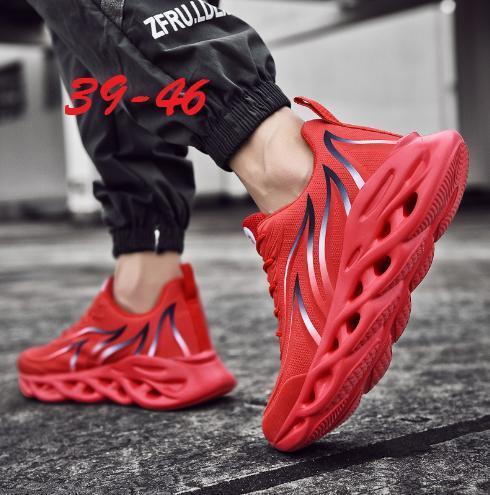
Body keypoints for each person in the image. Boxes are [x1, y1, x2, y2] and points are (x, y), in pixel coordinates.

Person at [17, 0, 468, 452]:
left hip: (310, 171)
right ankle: (144, 299)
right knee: (80, 27)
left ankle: (295, 173)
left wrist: (241, 111)